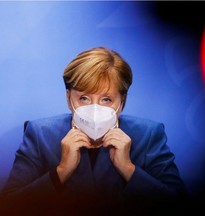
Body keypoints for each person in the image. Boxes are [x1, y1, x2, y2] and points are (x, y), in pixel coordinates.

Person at [0, 47, 188, 215]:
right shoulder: (40, 134)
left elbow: (179, 204)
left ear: (122, 101)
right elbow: (9, 205)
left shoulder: (148, 135)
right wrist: (61, 171)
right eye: (84, 98)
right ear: (68, 97)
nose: (95, 108)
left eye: (106, 99)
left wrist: (129, 169)